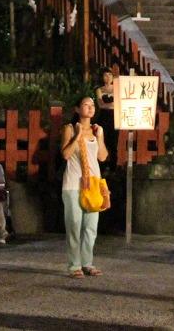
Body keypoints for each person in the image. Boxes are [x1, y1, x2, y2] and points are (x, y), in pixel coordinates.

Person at [61, 96, 109, 277]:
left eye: (92, 105)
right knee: (74, 225)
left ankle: (87, 262)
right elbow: (65, 154)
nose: (90, 108)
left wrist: (100, 137)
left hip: (93, 184)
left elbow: (102, 157)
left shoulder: (96, 130)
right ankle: (74, 265)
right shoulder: (69, 128)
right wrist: (78, 136)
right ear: (77, 109)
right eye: (86, 105)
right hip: (74, 183)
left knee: (91, 227)